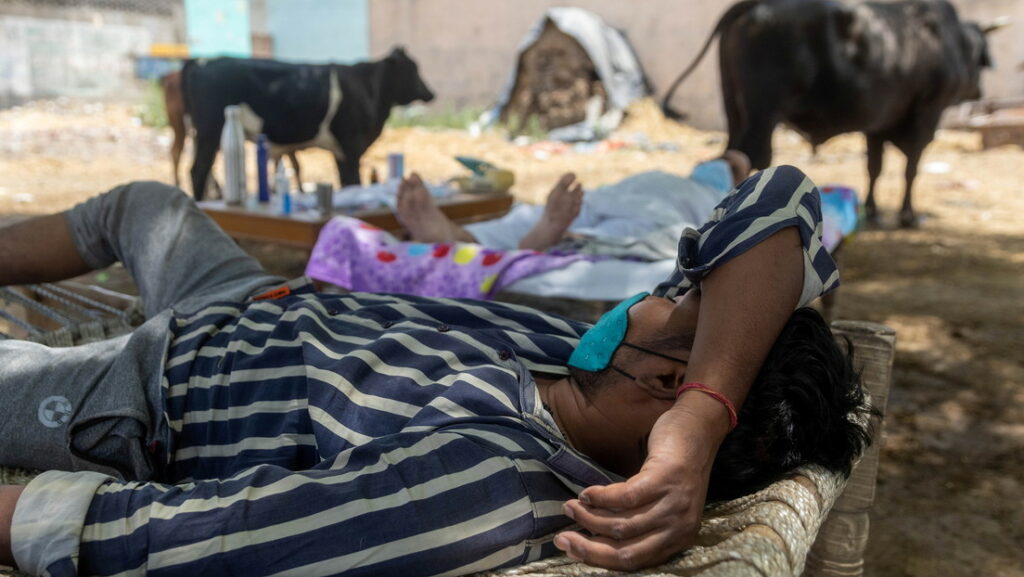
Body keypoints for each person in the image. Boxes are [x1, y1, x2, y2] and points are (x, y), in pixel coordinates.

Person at [0, 165, 871, 576]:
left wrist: (21, 516)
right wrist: (706, 413)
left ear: (658, 382)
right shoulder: (575, 369)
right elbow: (780, 202)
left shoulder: (484, 482)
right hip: (261, 300)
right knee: (144, 204)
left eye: (669, 302)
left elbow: (214, 540)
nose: (657, 290)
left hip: (153, 392)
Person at [396, 151, 751, 260]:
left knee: (637, 229)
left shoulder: (719, 193)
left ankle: (538, 240)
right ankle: (454, 234)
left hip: (657, 207)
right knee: (551, 214)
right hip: (632, 196)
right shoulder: (683, 180)